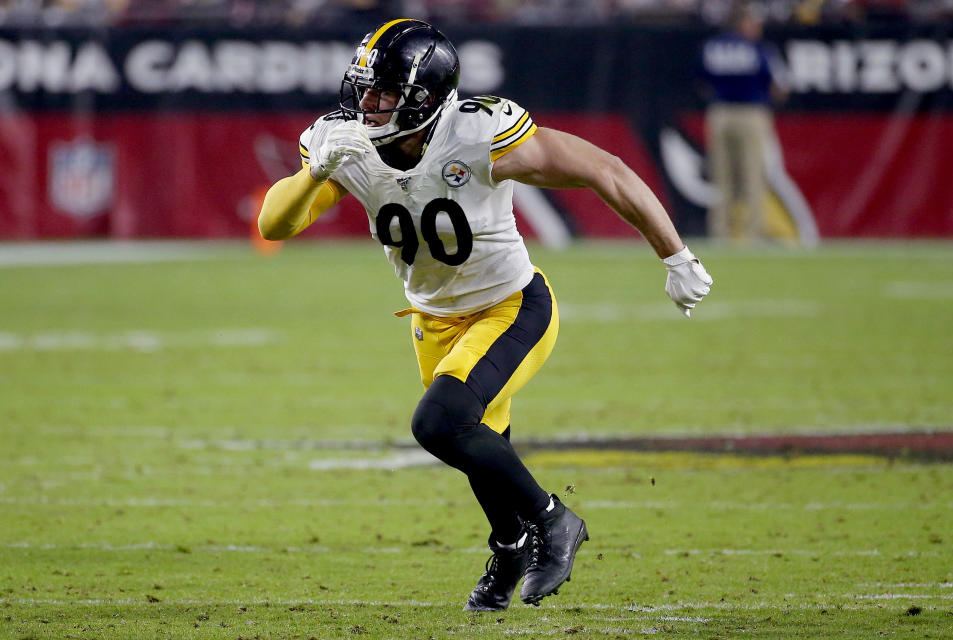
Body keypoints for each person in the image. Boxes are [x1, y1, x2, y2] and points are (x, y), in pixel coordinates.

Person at [258, 18, 713, 611]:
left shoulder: (476, 133)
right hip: (432, 322)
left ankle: (553, 520)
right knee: (478, 444)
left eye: (384, 93)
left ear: (424, 98)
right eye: (363, 89)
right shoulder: (344, 145)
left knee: (440, 424)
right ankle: (508, 545)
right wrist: (313, 172)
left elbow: (607, 170)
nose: (367, 105)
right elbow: (275, 224)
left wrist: (675, 255)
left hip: (511, 307)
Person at [701, 3, 789, 242]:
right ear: (744, 22)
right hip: (751, 113)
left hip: (720, 114)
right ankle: (752, 234)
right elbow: (778, 86)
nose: (758, 27)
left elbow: (703, 83)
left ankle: (720, 234)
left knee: (722, 177)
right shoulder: (759, 48)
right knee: (752, 175)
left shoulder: (713, 47)